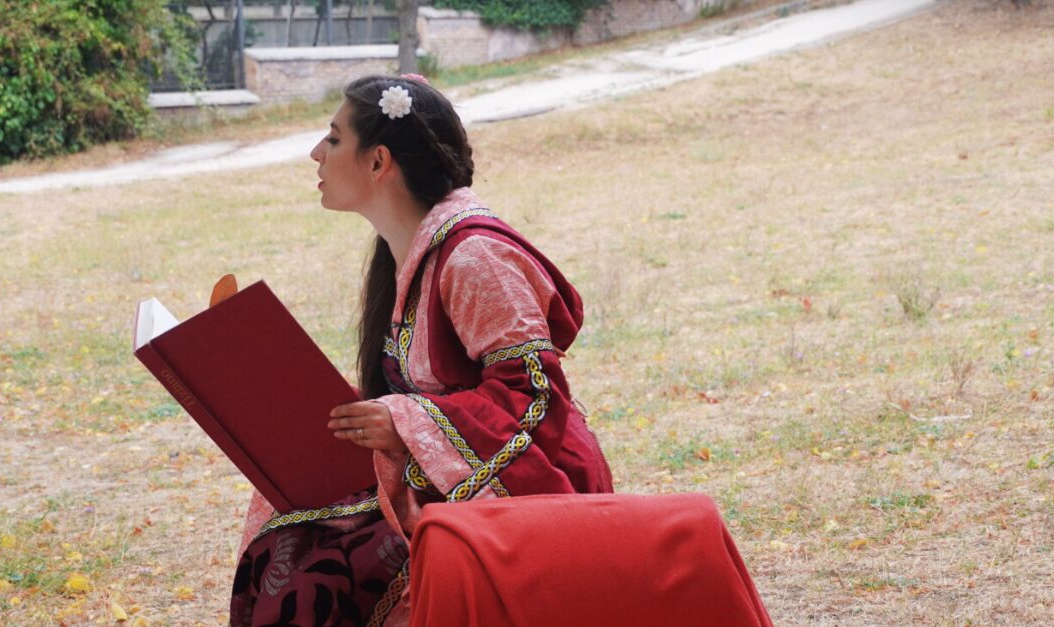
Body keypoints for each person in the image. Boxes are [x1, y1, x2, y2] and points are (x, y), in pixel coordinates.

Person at [229, 75, 770, 627]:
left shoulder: (475, 258)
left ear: (379, 161)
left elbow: (536, 398)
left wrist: (406, 422)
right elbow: (417, 387)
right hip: (444, 477)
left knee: (321, 575)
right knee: (292, 537)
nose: (316, 153)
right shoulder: (403, 251)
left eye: (333, 138)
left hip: (526, 487)